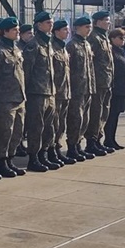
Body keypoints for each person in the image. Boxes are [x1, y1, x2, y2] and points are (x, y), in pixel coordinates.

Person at [0, 17, 27, 178]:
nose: (17, 32)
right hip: (4, 98)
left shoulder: (17, 49)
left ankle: (10, 159)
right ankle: (1, 162)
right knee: (4, 132)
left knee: (16, 132)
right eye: (14, 30)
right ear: (5, 32)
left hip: (19, 97)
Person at [23, 12, 57, 172]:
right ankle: (34, 158)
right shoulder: (33, 45)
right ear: (39, 25)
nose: (51, 25)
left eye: (51, 22)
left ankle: (44, 154)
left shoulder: (48, 44)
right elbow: (27, 71)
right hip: (36, 93)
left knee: (48, 127)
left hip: (49, 91)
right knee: (36, 127)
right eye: (48, 23)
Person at [85, 10, 115, 156]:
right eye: (106, 20)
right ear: (97, 22)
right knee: (96, 113)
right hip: (97, 82)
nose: (109, 23)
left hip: (106, 81)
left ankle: (98, 140)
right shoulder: (94, 38)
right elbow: (89, 62)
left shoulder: (104, 38)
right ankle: (91, 142)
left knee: (104, 113)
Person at [66, 15, 94, 162]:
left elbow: (90, 69)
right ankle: (72, 147)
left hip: (86, 88)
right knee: (76, 119)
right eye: (86, 27)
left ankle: (78, 146)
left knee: (85, 120)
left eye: (90, 27)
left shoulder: (87, 45)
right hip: (76, 90)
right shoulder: (72, 46)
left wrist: (92, 87)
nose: (89, 29)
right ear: (78, 28)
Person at [49, 19, 74, 166]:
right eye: (64, 29)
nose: (67, 32)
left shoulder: (63, 48)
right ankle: (51, 151)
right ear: (56, 31)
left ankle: (57, 149)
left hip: (65, 91)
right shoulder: (52, 47)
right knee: (53, 124)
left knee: (61, 125)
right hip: (55, 93)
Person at [103, 28, 125, 149]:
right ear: (112, 38)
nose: (123, 40)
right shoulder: (111, 52)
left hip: (122, 88)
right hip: (114, 89)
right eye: (120, 38)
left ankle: (112, 139)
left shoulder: (121, 52)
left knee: (116, 115)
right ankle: (108, 140)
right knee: (110, 116)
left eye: (124, 38)